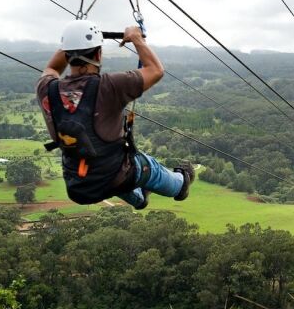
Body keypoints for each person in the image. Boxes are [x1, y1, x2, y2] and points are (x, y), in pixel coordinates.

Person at [36, 19, 193, 209]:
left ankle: (140, 199)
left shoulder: (47, 89)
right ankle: (181, 184)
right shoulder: (109, 86)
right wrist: (136, 38)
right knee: (146, 166)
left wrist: (71, 42)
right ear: (99, 53)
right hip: (115, 175)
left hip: (78, 185)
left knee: (109, 170)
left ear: (66, 54)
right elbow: (156, 70)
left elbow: (52, 68)